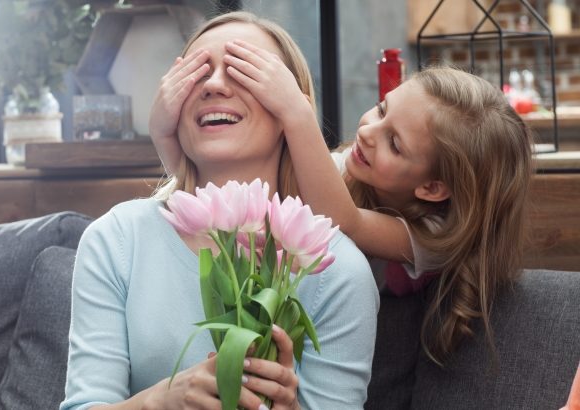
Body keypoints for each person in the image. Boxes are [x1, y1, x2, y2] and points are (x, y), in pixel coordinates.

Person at [61, 11, 379, 410]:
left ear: (292, 110)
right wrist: (160, 401)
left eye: (244, 69)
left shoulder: (336, 270)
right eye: (195, 73)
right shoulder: (117, 239)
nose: (213, 84)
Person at [152, 42, 533, 365]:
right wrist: (164, 133)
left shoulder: (434, 237)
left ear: (433, 188)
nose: (366, 132)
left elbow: (342, 223)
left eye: (394, 143)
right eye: (382, 109)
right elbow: (207, 192)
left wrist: (297, 112)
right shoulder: (344, 170)